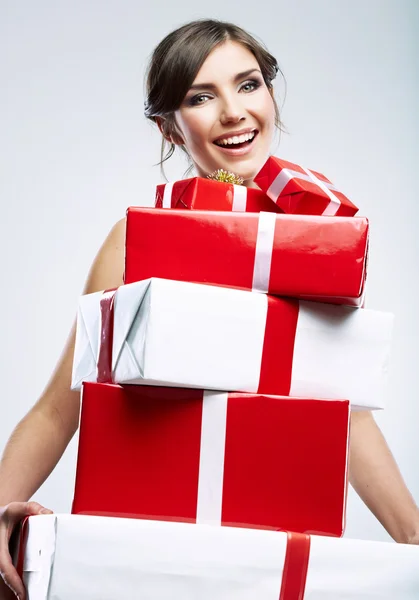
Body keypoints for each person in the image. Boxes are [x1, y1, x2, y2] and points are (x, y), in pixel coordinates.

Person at [1, 18, 418, 600]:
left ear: (271, 94)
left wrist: (413, 539)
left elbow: (343, 415)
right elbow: (59, 408)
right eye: (201, 97)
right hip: (150, 555)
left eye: (248, 85)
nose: (234, 111)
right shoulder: (135, 243)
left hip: (270, 550)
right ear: (169, 129)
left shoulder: (318, 241)